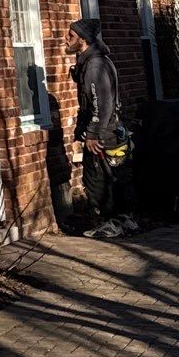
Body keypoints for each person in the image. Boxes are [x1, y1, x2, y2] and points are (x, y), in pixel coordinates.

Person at [70, 17, 138, 237]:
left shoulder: (95, 66)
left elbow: (102, 104)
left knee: (98, 180)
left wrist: (92, 134)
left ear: (83, 39)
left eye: (71, 36)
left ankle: (111, 223)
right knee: (116, 177)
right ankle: (125, 220)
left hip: (103, 134)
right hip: (112, 130)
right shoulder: (98, 61)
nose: (66, 39)